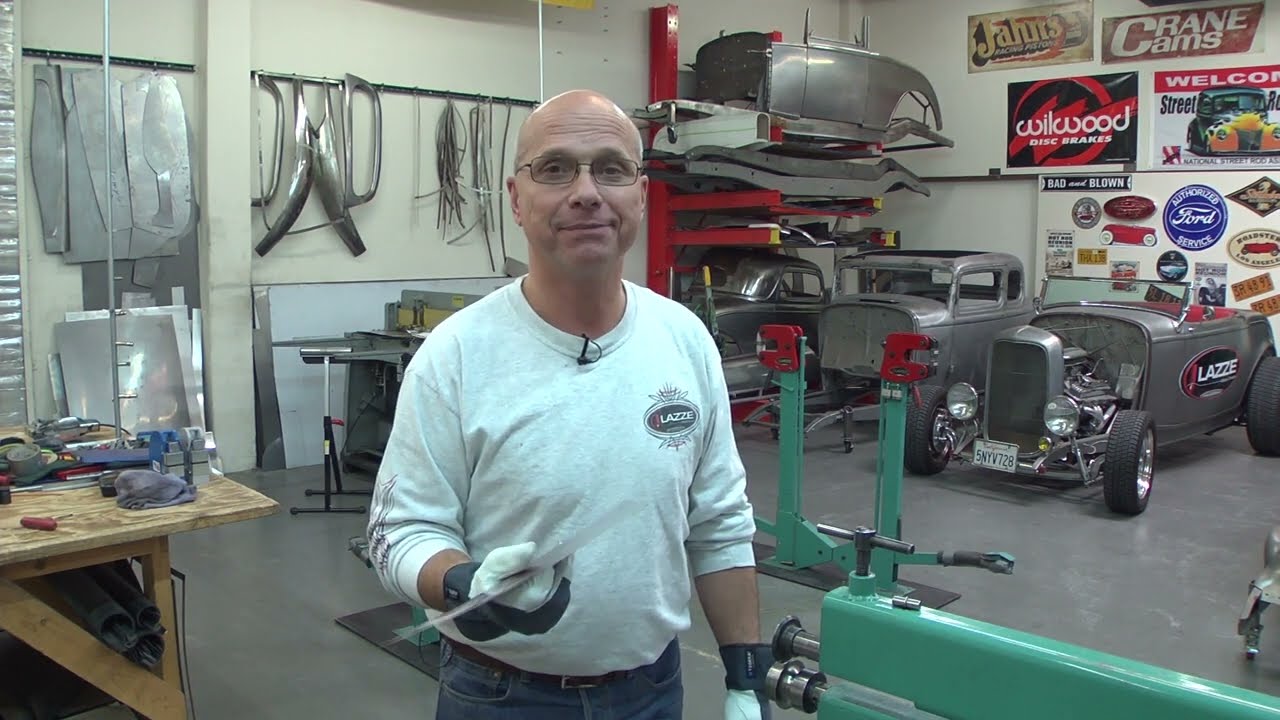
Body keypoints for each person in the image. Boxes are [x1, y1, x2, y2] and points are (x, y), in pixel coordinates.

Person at [366, 89, 772, 720]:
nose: (587, 192)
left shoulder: (685, 340)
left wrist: (746, 675)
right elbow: (399, 532)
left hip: (652, 692)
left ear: (640, 194)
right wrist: (460, 583)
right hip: (499, 696)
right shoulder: (456, 355)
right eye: (555, 169)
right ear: (516, 199)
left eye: (610, 169)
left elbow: (719, 524)